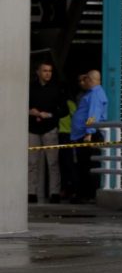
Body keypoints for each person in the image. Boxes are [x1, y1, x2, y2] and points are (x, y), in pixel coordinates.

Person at [28, 61, 67, 204]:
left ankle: (54, 193)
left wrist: (49, 115)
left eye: (50, 71)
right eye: (44, 70)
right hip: (32, 129)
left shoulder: (57, 89)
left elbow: (65, 110)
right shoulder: (30, 88)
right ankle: (31, 192)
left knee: (53, 162)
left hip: (50, 129)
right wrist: (30, 112)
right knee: (32, 163)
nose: (47, 73)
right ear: (38, 72)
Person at [70, 70, 108, 202]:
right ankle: (85, 193)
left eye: (85, 79)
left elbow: (93, 115)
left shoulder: (95, 94)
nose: (83, 82)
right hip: (84, 133)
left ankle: (88, 195)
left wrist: (89, 133)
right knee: (84, 165)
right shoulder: (92, 93)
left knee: (88, 165)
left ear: (90, 80)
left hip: (88, 135)